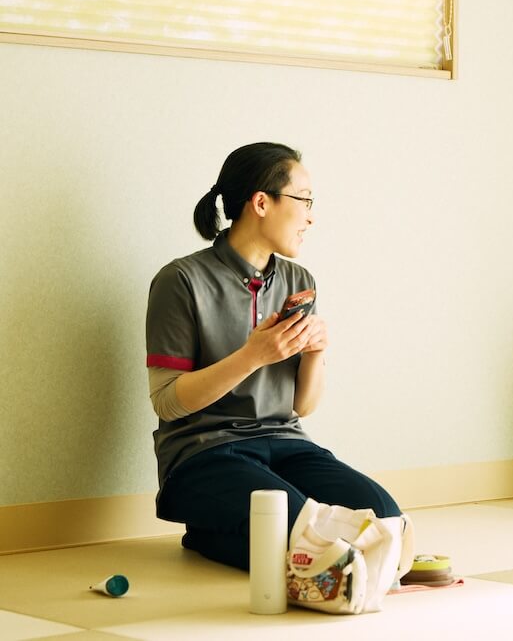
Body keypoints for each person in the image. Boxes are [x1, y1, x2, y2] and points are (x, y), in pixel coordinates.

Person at [145, 142, 401, 570]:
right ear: (262, 203)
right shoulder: (181, 280)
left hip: (286, 444)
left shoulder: (299, 280)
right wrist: (251, 356)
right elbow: (167, 402)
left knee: (385, 519)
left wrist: (315, 353)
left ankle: (222, 532)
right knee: (303, 537)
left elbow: (303, 406)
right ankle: (215, 528)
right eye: (304, 200)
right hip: (204, 452)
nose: (311, 217)